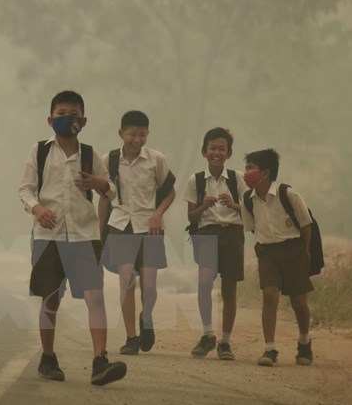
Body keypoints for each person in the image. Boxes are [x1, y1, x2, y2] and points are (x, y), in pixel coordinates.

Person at [18, 90, 127, 386]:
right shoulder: (39, 151)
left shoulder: (90, 154)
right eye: (62, 113)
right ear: (51, 119)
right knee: (50, 299)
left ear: (84, 120)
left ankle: (99, 360)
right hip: (48, 236)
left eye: (73, 114)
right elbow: (25, 189)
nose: (68, 119)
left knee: (95, 297)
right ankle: (48, 357)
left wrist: (100, 183)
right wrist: (37, 207)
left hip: (84, 235)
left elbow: (111, 190)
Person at [99, 110, 176, 355]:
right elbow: (104, 199)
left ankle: (147, 318)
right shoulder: (108, 161)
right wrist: (100, 233)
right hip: (120, 225)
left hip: (150, 227)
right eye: (132, 134)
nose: (137, 140)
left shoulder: (156, 159)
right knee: (126, 281)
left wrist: (157, 215)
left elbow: (170, 192)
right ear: (121, 134)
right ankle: (131, 337)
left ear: (147, 135)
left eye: (142, 135)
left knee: (150, 285)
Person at [240, 149, 314, 367]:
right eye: (246, 168)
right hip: (267, 251)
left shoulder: (288, 194)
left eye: (251, 168)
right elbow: (252, 228)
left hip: (293, 249)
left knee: (299, 301)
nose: (246, 173)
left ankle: (304, 341)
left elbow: (305, 223)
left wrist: (306, 251)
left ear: (266, 172)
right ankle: (269, 348)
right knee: (269, 296)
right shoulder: (247, 199)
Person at [184, 127, 248, 361]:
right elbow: (191, 216)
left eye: (222, 149)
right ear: (204, 151)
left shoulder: (238, 179)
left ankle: (226, 342)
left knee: (229, 288)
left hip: (233, 233)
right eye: (213, 148)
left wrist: (233, 205)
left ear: (229, 153)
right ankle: (208, 334)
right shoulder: (196, 180)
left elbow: (251, 211)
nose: (217, 153)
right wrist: (203, 206)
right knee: (204, 282)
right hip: (207, 234)